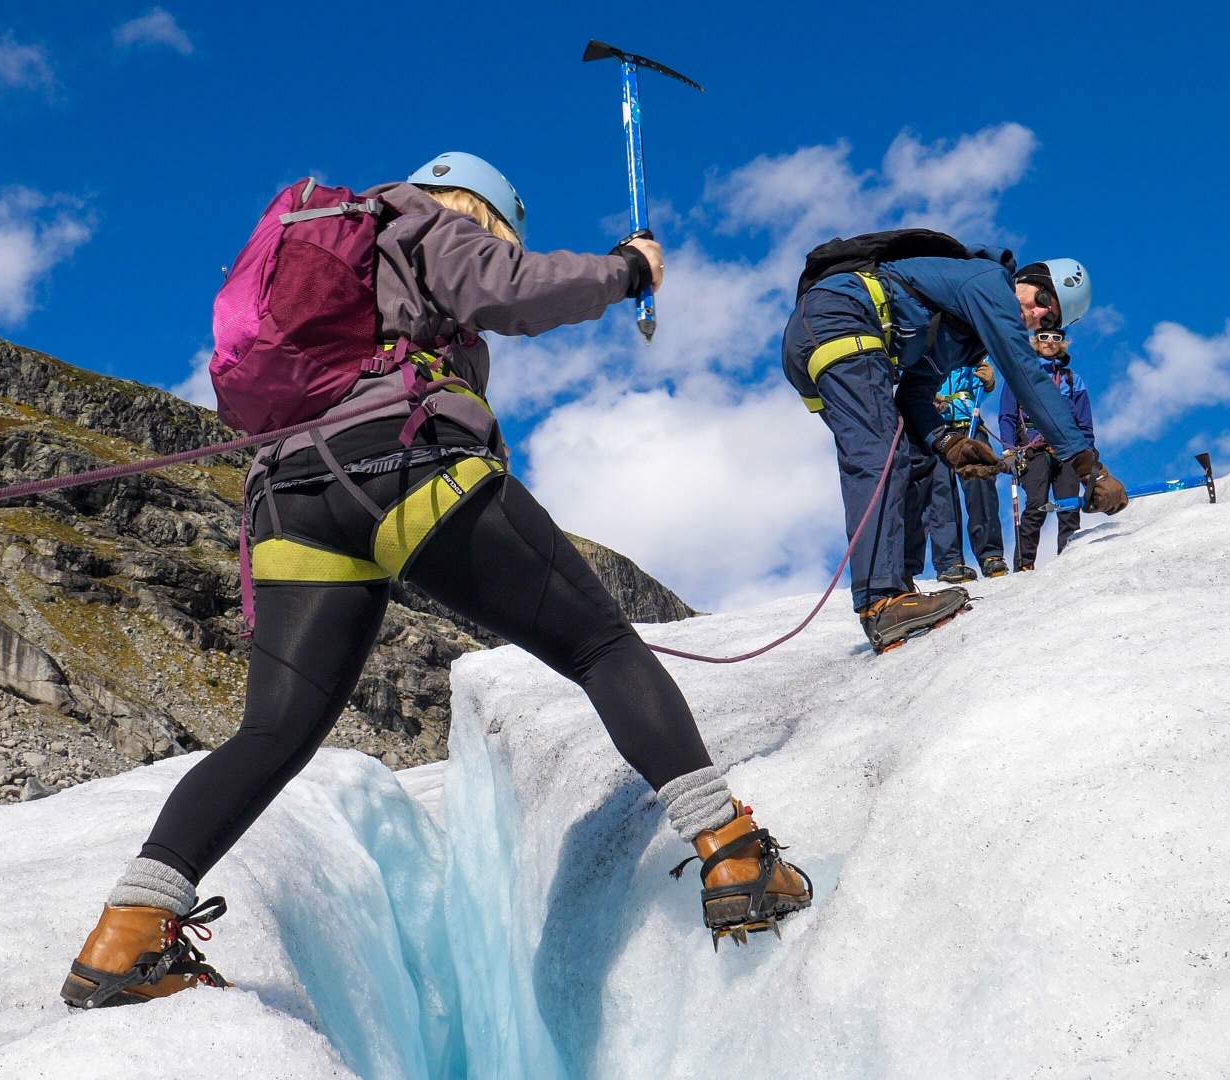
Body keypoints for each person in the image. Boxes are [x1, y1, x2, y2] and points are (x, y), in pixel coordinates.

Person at [60, 153, 811, 1009]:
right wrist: (628, 269)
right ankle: (733, 852)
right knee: (600, 645)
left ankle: (128, 932)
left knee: (271, 732)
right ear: (479, 209)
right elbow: (517, 292)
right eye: (501, 230)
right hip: (407, 465)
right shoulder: (418, 220)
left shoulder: (333, 250)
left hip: (290, 498)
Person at [781, 233, 1127, 653]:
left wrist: (948, 442)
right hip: (842, 318)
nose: (1036, 315)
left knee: (902, 451)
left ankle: (898, 586)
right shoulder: (988, 284)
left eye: (1048, 321)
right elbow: (1025, 374)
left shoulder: (960, 331)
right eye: (1042, 300)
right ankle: (882, 600)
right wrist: (1088, 466)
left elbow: (914, 396)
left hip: (815, 338)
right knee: (879, 455)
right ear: (1026, 279)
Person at [1000, 328, 1097, 569]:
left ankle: (1069, 561)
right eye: (1044, 337)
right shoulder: (1020, 375)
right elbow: (1007, 416)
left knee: (1069, 506)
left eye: (1056, 337)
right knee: (1036, 505)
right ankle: (1024, 564)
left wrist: (1089, 450)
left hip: (1067, 451)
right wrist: (1009, 450)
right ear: (1035, 341)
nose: (1050, 342)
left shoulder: (1072, 379)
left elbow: (1084, 422)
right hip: (1034, 450)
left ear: (1062, 343)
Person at [922, 360, 1008, 582]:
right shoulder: (926, 348)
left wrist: (988, 383)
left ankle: (991, 554)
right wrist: (928, 395)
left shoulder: (970, 349)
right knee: (941, 492)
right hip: (936, 426)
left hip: (969, 421)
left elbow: (978, 384)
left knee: (981, 485)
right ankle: (949, 562)